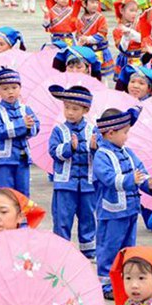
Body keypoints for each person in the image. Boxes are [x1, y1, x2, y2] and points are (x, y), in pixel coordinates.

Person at [93, 107, 152, 298]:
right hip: (112, 211)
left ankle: (123, 281)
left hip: (131, 210)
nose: (127, 136)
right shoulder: (102, 155)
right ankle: (106, 285)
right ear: (110, 133)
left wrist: (149, 183)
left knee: (128, 248)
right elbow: (108, 179)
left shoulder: (128, 152)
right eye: (124, 133)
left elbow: (140, 170)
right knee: (109, 248)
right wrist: (132, 179)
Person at [48, 84, 97, 260]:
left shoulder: (93, 130)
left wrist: (95, 148)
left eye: (75, 109)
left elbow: (102, 156)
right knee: (62, 218)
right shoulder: (59, 130)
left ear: (86, 109)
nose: (69, 112)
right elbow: (54, 152)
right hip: (65, 184)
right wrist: (70, 147)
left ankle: (88, 250)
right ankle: (61, 250)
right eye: (67, 108)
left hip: (88, 185)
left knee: (88, 218)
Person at [0, 67, 39, 197]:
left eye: (14, 87)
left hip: (22, 158)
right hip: (3, 160)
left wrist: (29, 127)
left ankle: (22, 218)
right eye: (5, 89)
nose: (10, 92)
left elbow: (36, 127)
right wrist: (22, 125)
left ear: (20, 88)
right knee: (6, 194)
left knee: (23, 193)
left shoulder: (25, 108)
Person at [75, 0, 113, 77]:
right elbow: (78, 34)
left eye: (96, 2)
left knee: (100, 75)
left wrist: (88, 39)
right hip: (86, 51)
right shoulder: (80, 20)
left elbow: (102, 33)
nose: (95, 5)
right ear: (84, 4)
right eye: (92, 2)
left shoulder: (101, 18)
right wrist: (80, 41)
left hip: (98, 50)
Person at [111, 0, 142, 79]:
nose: (134, 14)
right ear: (121, 10)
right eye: (131, 11)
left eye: (136, 11)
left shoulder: (139, 26)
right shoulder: (117, 30)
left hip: (139, 59)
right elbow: (122, 48)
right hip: (125, 61)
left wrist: (130, 33)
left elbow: (143, 39)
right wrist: (126, 36)